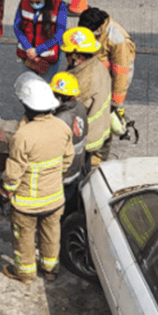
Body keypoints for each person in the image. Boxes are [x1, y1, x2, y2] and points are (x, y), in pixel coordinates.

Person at [0, 74, 74, 284]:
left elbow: (13, 174)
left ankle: (25, 273)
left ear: (27, 106)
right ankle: (50, 268)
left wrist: (5, 193)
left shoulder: (23, 135)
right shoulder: (62, 127)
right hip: (54, 199)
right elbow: (68, 159)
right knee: (51, 234)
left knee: (23, 237)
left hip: (26, 204)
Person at [79, 7, 136, 156]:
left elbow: (121, 73)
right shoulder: (94, 27)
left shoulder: (117, 39)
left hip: (109, 84)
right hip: (94, 78)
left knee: (105, 120)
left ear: (98, 28)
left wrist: (116, 103)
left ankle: (101, 153)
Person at [60, 27, 112, 165]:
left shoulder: (83, 80)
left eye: (67, 54)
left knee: (79, 169)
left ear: (77, 56)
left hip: (87, 135)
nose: (65, 56)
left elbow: (71, 110)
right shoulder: (96, 65)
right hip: (98, 128)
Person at [14, 0, 68, 84]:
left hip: (48, 58)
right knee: (28, 88)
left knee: (45, 89)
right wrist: (28, 47)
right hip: (28, 55)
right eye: (31, 2)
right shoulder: (24, 1)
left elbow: (58, 34)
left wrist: (37, 50)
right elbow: (17, 27)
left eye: (38, 1)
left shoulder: (59, 6)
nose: (34, 4)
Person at [50, 71, 89, 212]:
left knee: (59, 209)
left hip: (65, 173)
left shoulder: (60, 119)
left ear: (60, 96)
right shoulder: (80, 108)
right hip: (77, 167)